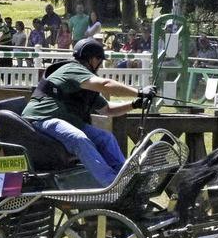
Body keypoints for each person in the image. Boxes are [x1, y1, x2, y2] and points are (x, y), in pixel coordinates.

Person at [21, 38, 157, 187]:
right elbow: (106, 84)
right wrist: (139, 92)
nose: (100, 65)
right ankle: (112, 185)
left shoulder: (83, 83)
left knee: (106, 138)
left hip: (65, 122)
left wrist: (134, 104)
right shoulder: (73, 69)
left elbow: (107, 110)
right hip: (42, 118)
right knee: (78, 138)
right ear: (93, 59)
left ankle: (126, 178)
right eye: (100, 60)